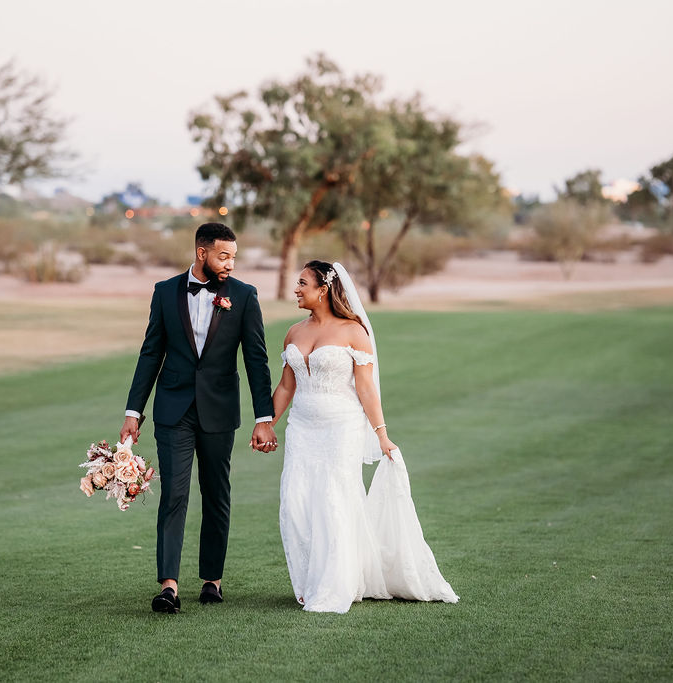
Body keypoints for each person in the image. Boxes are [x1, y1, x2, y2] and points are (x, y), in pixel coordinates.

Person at [269, 260, 459, 613]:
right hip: (302, 428)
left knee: (333, 501)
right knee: (296, 503)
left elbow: (367, 389)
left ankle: (336, 584)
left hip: (341, 427)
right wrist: (266, 422)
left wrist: (382, 435)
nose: (295, 289)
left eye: (302, 283)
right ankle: (309, 579)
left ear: (323, 290)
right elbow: (285, 385)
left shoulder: (354, 332)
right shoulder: (293, 332)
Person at [121, 222, 277, 614]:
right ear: (201, 252)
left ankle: (212, 580)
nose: (230, 264)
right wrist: (133, 412)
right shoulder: (164, 292)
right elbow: (150, 354)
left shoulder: (243, 295)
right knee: (174, 494)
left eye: (234, 257)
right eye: (223, 256)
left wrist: (264, 417)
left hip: (220, 410)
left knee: (216, 493)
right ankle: (168, 586)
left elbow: (256, 358)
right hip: (173, 410)